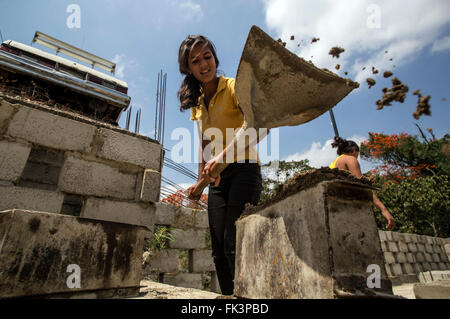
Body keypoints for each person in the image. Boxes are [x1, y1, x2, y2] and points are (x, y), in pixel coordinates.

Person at [177, 35, 263, 295]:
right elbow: (204, 143)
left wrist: (222, 156)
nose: (204, 64)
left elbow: (259, 126)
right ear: (188, 68)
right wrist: (200, 182)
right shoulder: (198, 102)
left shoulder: (235, 86)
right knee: (217, 250)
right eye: (196, 61)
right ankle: (229, 297)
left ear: (215, 58)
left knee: (233, 242)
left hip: (244, 169)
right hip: (217, 179)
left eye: (207, 57)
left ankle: (250, 298)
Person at [330, 136, 395, 230]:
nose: (357, 156)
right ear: (353, 150)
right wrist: (383, 209)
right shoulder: (350, 159)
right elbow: (362, 186)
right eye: (358, 153)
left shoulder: (334, 163)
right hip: (351, 210)